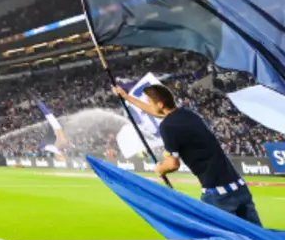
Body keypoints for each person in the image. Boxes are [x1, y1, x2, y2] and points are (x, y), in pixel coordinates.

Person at [112, 84, 262, 226]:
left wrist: (160, 169)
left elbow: (172, 164)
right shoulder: (188, 114)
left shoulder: (167, 126)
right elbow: (156, 112)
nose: (148, 105)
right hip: (239, 186)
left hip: (218, 193)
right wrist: (127, 97)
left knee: (219, 238)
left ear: (160, 104)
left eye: (149, 102)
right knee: (258, 236)